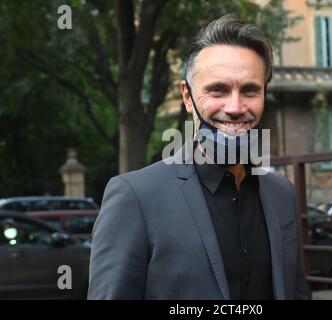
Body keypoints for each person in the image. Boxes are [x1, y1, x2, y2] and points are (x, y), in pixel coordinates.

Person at [88, 14, 308, 300]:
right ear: (188, 97)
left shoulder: (282, 193)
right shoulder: (135, 198)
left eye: (250, 90)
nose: (235, 107)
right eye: (218, 90)